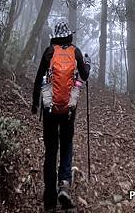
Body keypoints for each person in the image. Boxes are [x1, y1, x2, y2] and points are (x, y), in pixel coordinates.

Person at [32, 21, 91, 211]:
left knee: (51, 150)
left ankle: (49, 198)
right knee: (66, 145)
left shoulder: (49, 52)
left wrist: (35, 104)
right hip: (69, 110)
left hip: (49, 108)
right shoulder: (76, 52)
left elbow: (39, 78)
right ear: (69, 36)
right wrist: (87, 64)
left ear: (56, 36)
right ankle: (64, 185)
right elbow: (84, 75)